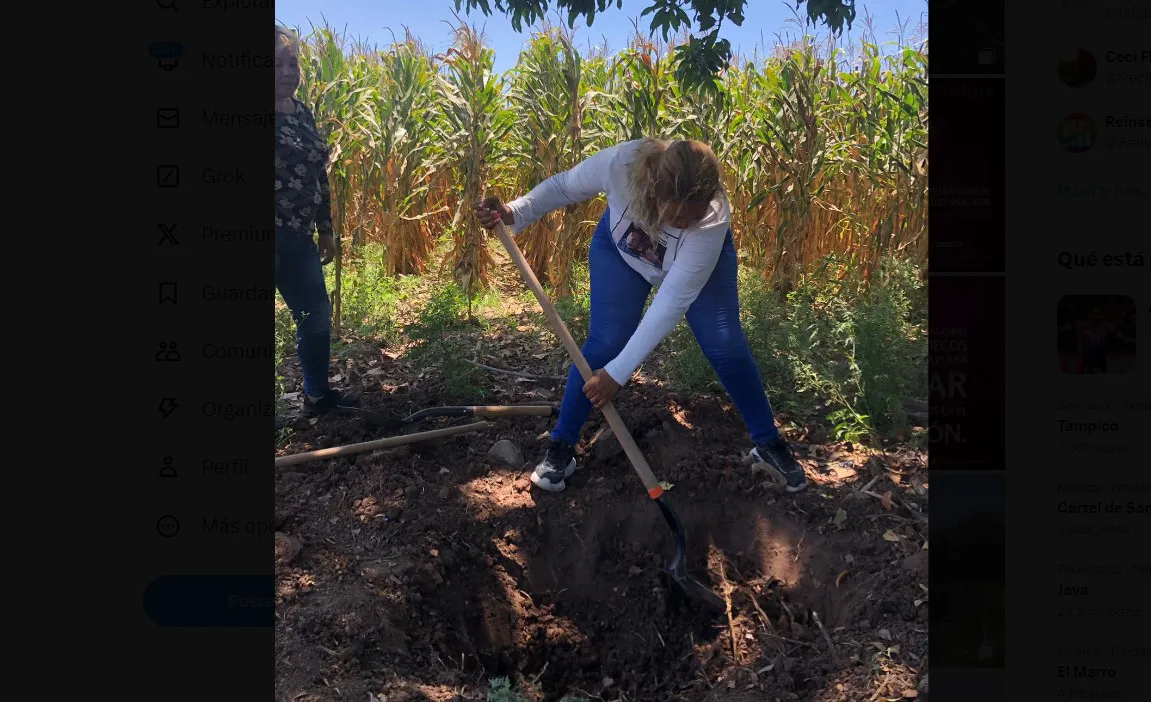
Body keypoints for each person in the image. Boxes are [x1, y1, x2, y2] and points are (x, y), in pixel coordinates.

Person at [475, 139, 807, 493]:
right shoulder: (622, 165)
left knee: (725, 346)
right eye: (677, 217)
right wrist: (514, 211)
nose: (684, 224)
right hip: (622, 253)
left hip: (697, 268)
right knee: (605, 342)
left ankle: (769, 444)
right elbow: (564, 186)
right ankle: (561, 446)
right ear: (655, 192)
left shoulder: (711, 219)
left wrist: (617, 374)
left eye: (692, 217)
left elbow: (673, 300)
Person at [275, 26, 358, 415]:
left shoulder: (302, 113)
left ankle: (317, 396)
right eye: (276, 64)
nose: (287, 71)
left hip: (298, 237)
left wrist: (325, 230)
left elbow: (317, 174)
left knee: (315, 314)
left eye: (292, 63)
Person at [1061, 305, 1135, 374]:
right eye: (1096, 314)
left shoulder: (1106, 326)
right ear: (1090, 314)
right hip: (1087, 360)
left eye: (1100, 314)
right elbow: (1067, 328)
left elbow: (1121, 336)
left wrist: (1132, 340)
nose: (1098, 316)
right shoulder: (1081, 325)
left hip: (1101, 360)